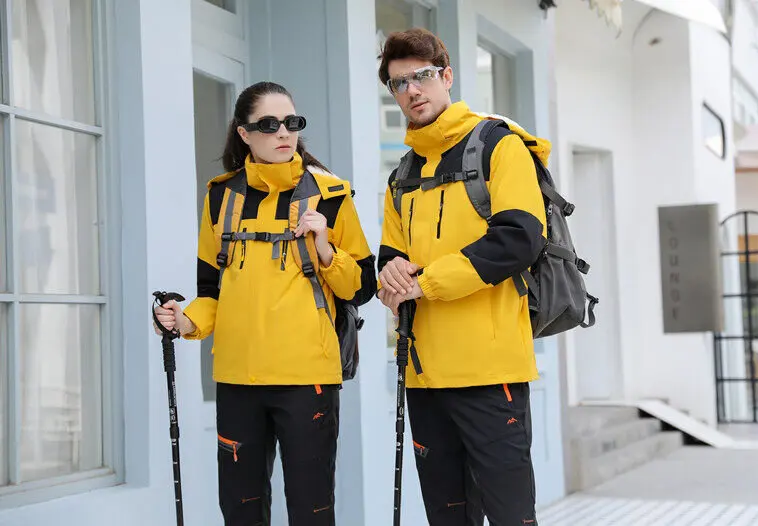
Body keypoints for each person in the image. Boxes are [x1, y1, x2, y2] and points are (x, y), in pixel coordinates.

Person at [153, 81, 376, 525]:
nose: (284, 133)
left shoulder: (331, 194)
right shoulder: (221, 196)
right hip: (239, 379)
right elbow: (211, 291)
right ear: (244, 133)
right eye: (269, 124)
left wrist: (325, 248)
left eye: (291, 122)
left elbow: (361, 288)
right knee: (241, 511)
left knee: (311, 512)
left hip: (307, 380)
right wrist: (183, 320)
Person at [376, 28, 547, 525]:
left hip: (490, 374)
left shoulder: (498, 145)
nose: (412, 90)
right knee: (446, 516)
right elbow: (390, 260)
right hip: (425, 376)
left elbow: (519, 238)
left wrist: (426, 282)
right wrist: (390, 274)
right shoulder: (402, 175)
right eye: (399, 83)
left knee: (511, 516)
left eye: (422, 76)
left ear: (447, 76)